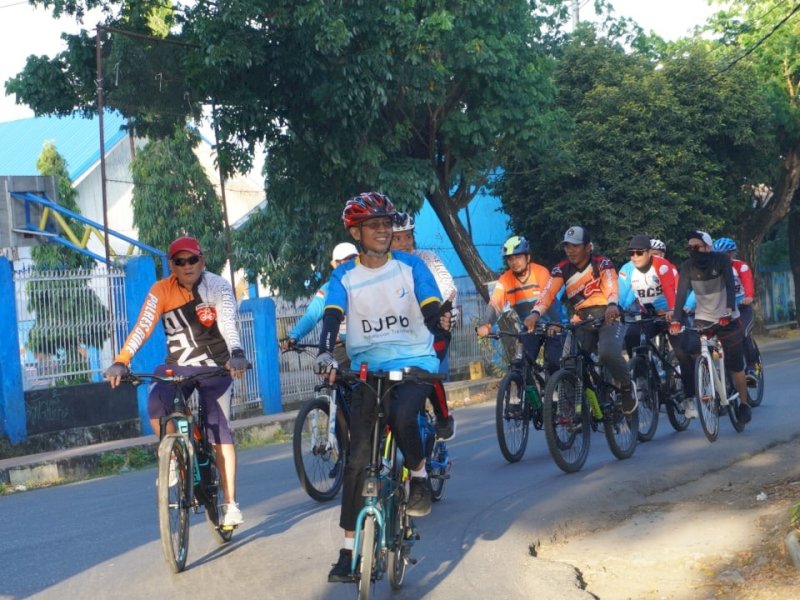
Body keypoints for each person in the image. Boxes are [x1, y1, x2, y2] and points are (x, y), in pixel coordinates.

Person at [317, 192, 452, 584]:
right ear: (357, 232)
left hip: (415, 363)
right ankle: (347, 551)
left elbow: (429, 302)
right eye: (374, 225)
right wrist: (326, 353)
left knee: (402, 414)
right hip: (368, 369)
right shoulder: (344, 276)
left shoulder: (410, 266)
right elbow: (332, 314)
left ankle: (421, 474)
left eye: (387, 223)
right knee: (357, 458)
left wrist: (436, 319)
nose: (383, 230)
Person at [104, 236, 251, 527]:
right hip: (179, 365)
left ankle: (231, 502)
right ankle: (174, 456)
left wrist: (236, 353)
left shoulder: (217, 286)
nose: (187, 266)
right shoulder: (161, 290)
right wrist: (122, 360)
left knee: (219, 430)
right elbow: (143, 326)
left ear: (202, 261)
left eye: (192, 259)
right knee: (157, 402)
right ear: (171, 265)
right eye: (179, 261)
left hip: (216, 366)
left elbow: (228, 323)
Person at [524, 226, 636, 414]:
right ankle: (569, 411)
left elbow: (610, 283)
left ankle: (626, 388)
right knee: (568, 361)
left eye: (575, 246)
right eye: (567, 246)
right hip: (582, 318)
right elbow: (548, 292)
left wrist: (612, 304)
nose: (570, 250)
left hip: (608, 315)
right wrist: (535, 312)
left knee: (607, 352)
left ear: (588, 247)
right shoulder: (561, 269)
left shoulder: (602, 263)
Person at [669, 231, 751, 424]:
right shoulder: (687, 266)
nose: (693, 251)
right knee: (694, 351)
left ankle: (744, 403)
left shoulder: (721, 260)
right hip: (703, 318)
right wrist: (677, 320)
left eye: (696, 247)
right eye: (689, 248)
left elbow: (731, 287)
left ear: (707, 247)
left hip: (727, 317)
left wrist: (729, 309)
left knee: (735, 364)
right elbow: (681, 295)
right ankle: (710, 386)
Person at [391, 211, 456, 440]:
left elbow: (449, 289)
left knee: (427, 372)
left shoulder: (427, 258)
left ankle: (443, 417)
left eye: (407, 237)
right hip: (400, 333)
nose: (403, 243)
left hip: (434, 327)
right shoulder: (384, 267)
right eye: (397, 238)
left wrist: (445, 313)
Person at [476, 235, 565, 375]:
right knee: (521, 366)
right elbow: (495, 303)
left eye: (518, 257)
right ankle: (527, 395)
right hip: (530, 328)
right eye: (510, 258)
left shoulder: (540, 272)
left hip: (553, 323)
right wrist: (486, 324)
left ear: (527, 257)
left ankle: (565, 394)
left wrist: (555, 323)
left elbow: (549, 299)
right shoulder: (505, 280)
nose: (514, 262)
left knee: (553, 364)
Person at [281, 242, 359, 368]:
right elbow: (312, 315)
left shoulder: (368, 284)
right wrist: (294, 337)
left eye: (354, 259)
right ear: (336, 264)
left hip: (366, 348)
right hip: (340, 349)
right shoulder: (328, 289)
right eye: (346, 260)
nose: (351, 264)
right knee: (329, 376)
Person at [711, 237, 758, 385]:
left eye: (726, 254)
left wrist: (749, 297)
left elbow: (748, 283)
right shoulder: (712, 270)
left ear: (732, 254)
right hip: (723, 310)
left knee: (743, 334)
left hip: (743, 309)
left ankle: (752, 368)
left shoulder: (740, 267)